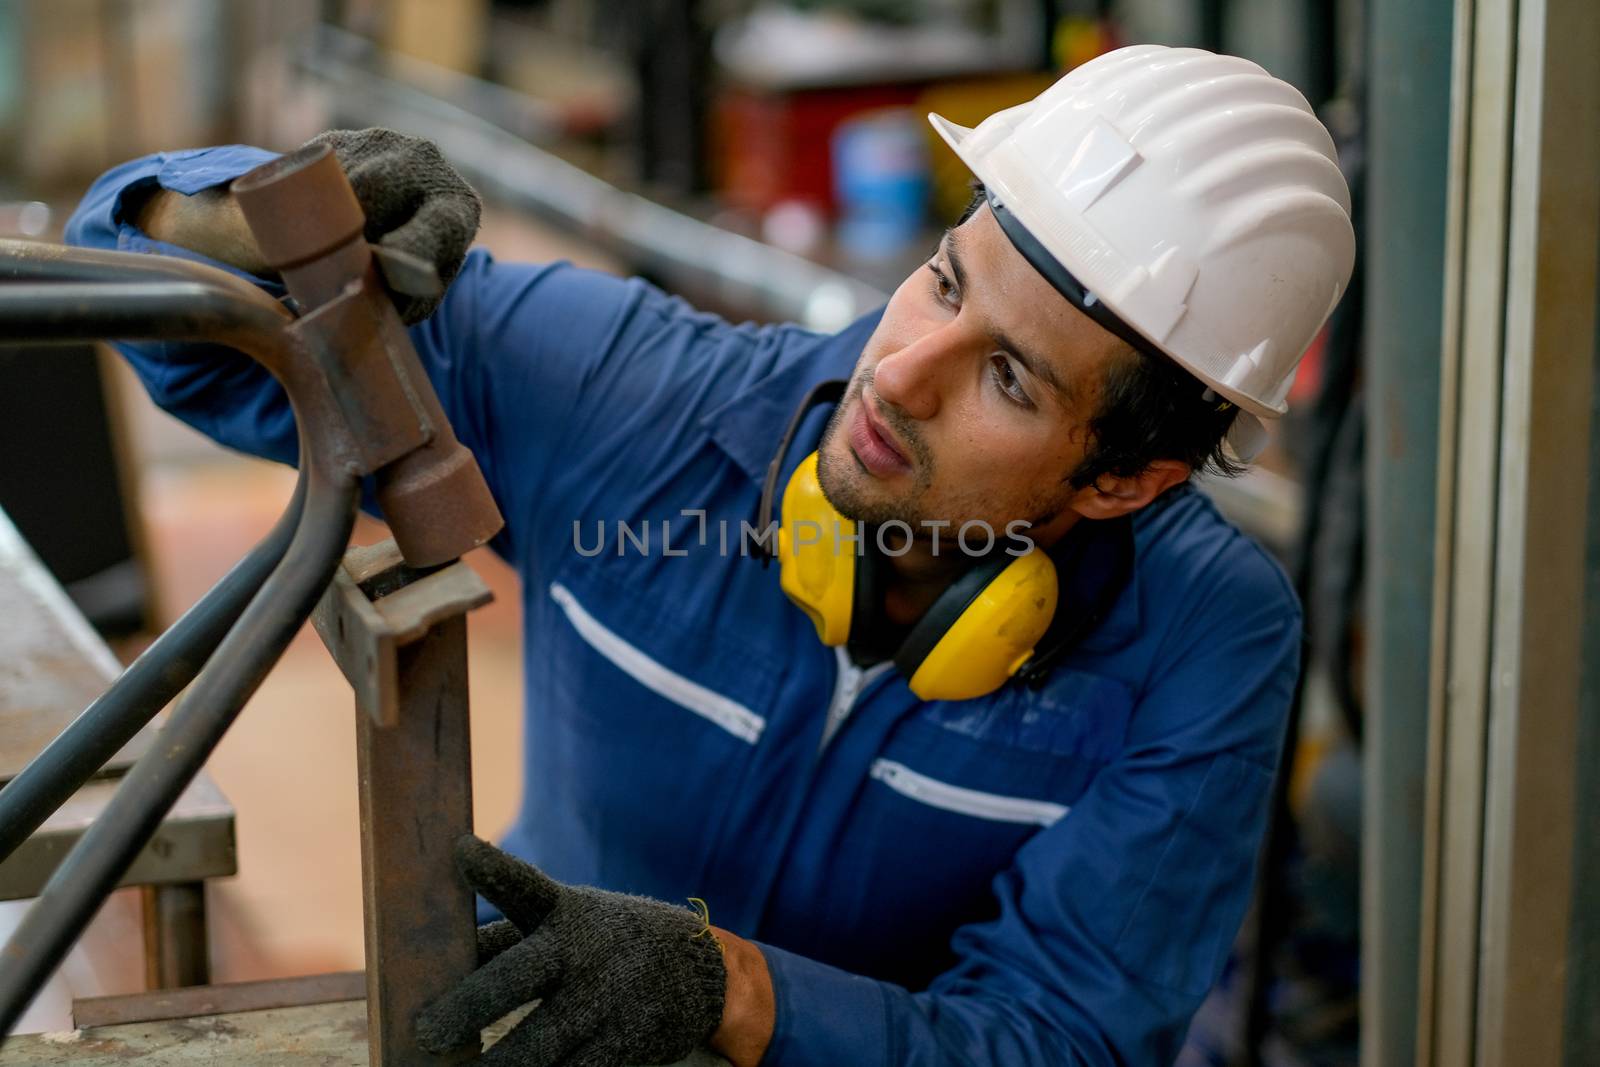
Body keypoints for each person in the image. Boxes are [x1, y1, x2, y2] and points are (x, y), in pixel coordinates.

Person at [67, 44, 1353, 1067]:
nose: (897, 372)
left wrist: (730, 989)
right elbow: (162, 317)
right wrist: (243, 219)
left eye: (1007, 379)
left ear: (1128, 478)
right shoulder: (642, 403)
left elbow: (1064, 1035)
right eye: (946, 285)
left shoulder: (1200, 637)